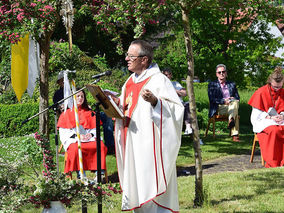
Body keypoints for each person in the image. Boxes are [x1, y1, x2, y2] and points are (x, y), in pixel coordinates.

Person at [111, 40, 184, 213]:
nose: (127, 59)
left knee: (150, 184)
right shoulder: (129, 82)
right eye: (127, 55)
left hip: (150, 146)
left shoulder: (159, 81)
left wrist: (155, 102)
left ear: (144, 60)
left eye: (131, 56)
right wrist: (116, 103)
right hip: (131, 143)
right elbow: (127, 106)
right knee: (137, 187)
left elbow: (176, 111)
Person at [57, 90, 108, 178]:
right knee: (76, 149)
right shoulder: (66, 114)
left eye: (82, 96)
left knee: (101, 146)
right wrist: (78, 136)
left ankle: (99, 173)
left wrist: (90, 135)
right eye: (78, 96)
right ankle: (81, 173)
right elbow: (64, 132)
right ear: (73, 98)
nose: (80, 98)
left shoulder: (90, 112)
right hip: (74, 140)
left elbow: (95, 129)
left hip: (89, 139)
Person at [248, 66, 284, 168]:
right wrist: (270, 117)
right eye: (275, 87)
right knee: (274, 131)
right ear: (270, 82)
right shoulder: (261, 92)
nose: (277, 89)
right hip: (263, 121)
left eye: (280, 87)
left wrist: (282, 116)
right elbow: (256, 114)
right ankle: (273, 163)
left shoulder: (283, 92)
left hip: (280, 121)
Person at [208, 64, 240, 142]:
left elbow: (237, 98)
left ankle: (231, 119)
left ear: (226, 73)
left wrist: (233, 99)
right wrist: (224, 101)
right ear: (216, 74)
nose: (221, 73)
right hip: (219, 107)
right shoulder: (212, 85)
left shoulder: (232, 84)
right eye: (219, 72)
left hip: (231, 106)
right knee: (235, 109)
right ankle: (235, 135)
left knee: (235, 103)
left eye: (223, 72)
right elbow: (212, 99)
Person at [162, 68, 193, 135]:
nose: (167, 76)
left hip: (180, 104)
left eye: (168, 74)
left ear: (171, 75)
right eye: (165, 75)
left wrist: (174, 91)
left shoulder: (175, 84)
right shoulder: (161, 85)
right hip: (169, 105)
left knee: (188, 105)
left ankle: (188, 128)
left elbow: (184, 93)